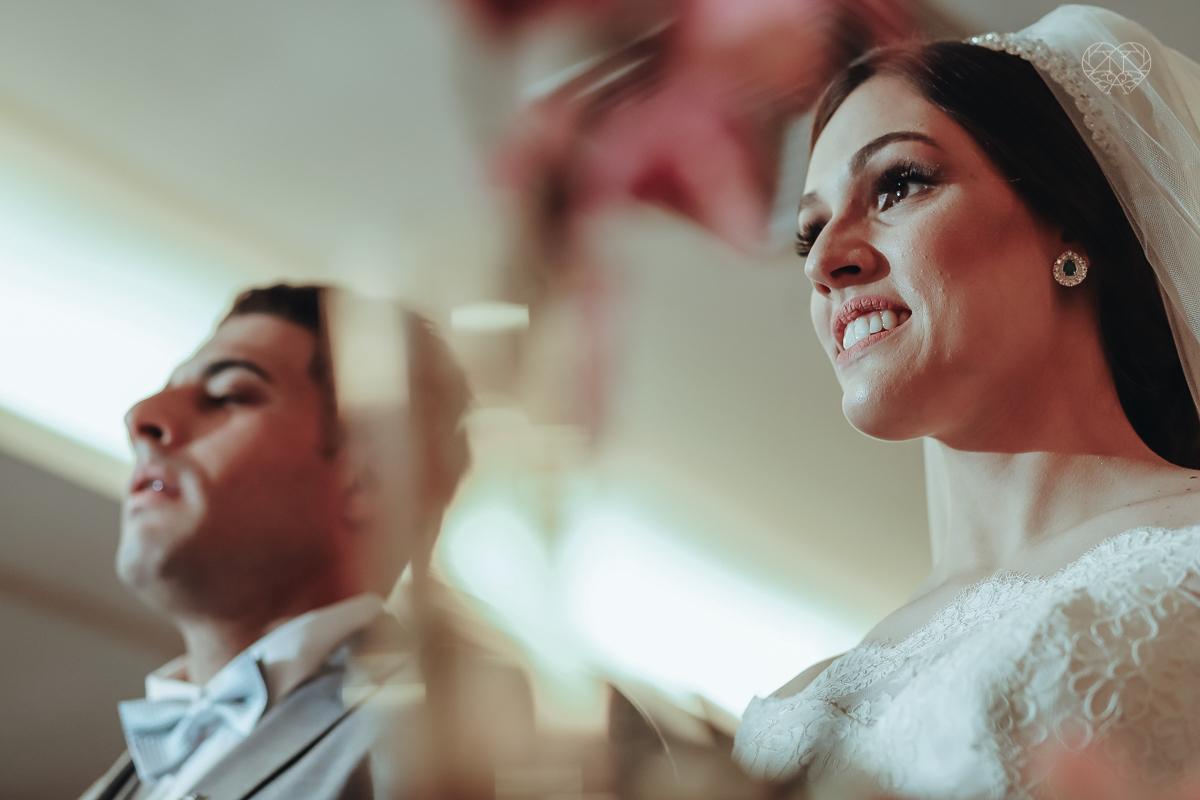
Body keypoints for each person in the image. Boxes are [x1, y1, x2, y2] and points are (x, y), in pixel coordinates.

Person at [733, 6, 1200, 799]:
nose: (827, 262)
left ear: (1066, 223)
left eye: (897, 184)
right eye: (809, 233)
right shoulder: (800, 699)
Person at [79, 284, 509, 800]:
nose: (141, 418)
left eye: (228, 394)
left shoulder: (466, 735)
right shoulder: (119, 783)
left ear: (369, 475)